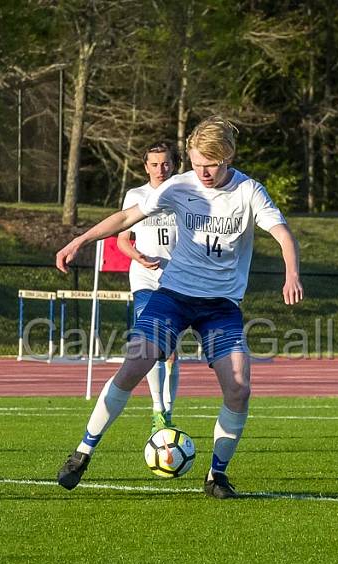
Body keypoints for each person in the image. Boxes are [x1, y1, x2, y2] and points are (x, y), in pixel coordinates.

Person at [54, 116, 302, 499]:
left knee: (239, 387)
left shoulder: (249, 191)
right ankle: (83, 452)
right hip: (173, 296)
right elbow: (126, 217)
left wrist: (291, 273)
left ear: (228, 157)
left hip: (220, 307)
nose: (203, 171)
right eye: (197, 162)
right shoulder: (179, 185)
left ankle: (216, 476)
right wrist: (80, 240)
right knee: (134, 364)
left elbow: (282, 233)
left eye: (212, 164)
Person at [115, 140, 181, 434]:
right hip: (144, 278)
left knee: (172, 351)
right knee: (151, 345)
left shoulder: (185, 191)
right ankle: (157, 409)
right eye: (154, 164)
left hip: (178, 279)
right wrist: (137, 256)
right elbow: (121, 239)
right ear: (145, 167)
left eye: (165, 163)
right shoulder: (136, 195)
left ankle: (169, 408)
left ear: (174, 164)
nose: (160, 169)